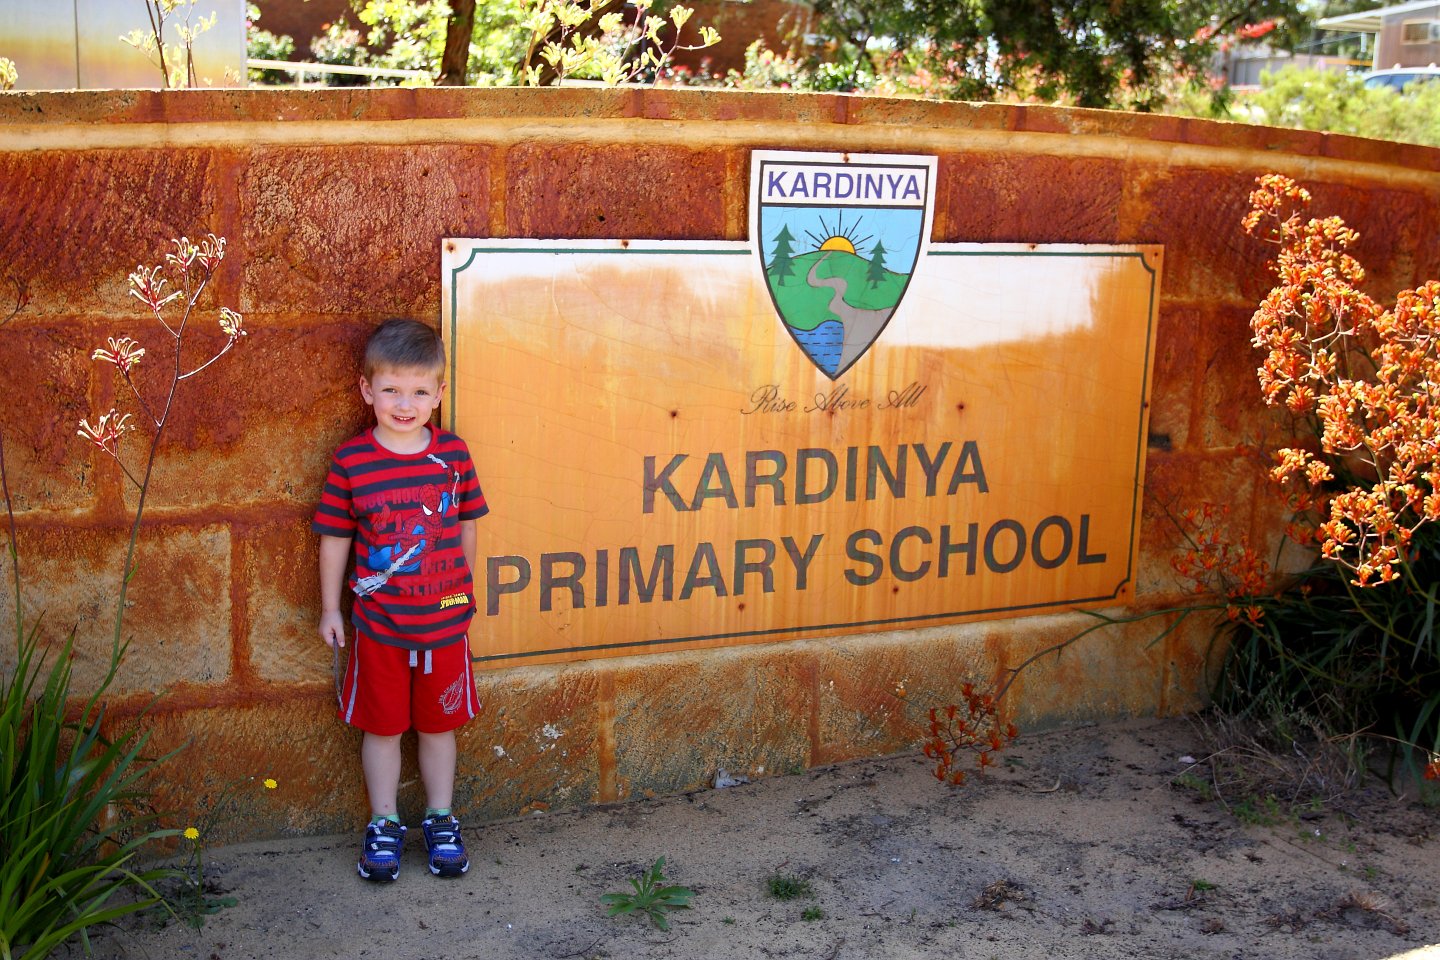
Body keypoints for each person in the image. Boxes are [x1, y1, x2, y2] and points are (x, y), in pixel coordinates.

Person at [313, 318, 488, 882]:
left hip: (443, 626)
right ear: (367, 391)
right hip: (380, 628)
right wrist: (331, 608)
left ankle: (440, 818)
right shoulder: (352, 461)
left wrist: (463, 591)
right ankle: (384, 822)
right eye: (391, 390)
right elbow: (335, 536)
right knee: (383, 728)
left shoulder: (454, 455)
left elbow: (467, 525)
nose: (405, 404)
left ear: (439, 393)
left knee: (439, 727)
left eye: (418, 391)